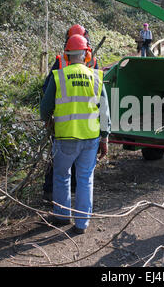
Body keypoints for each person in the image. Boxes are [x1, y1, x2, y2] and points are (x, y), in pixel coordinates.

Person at [40, 34, 111, 234]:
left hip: (65, 138)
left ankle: (62, 216)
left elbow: (45, 108)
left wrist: (48, 121)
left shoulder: (59, 76)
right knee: (85, 178)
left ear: (67, 55)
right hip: (90, 138)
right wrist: (104, 138)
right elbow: (105, 112)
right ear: (86, 54)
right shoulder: (96, 76)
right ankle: (81, 223)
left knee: (62, 176)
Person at [42, 24, 98, 202]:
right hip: (87, 127)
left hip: (64, 125)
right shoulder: (94, 64)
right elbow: (101, 100)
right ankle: (80, 214)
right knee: (83, 175)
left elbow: (46, 89)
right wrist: (104, 135)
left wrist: (48, 117)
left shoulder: (60, 61)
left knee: (59, 168)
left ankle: (54, 198)